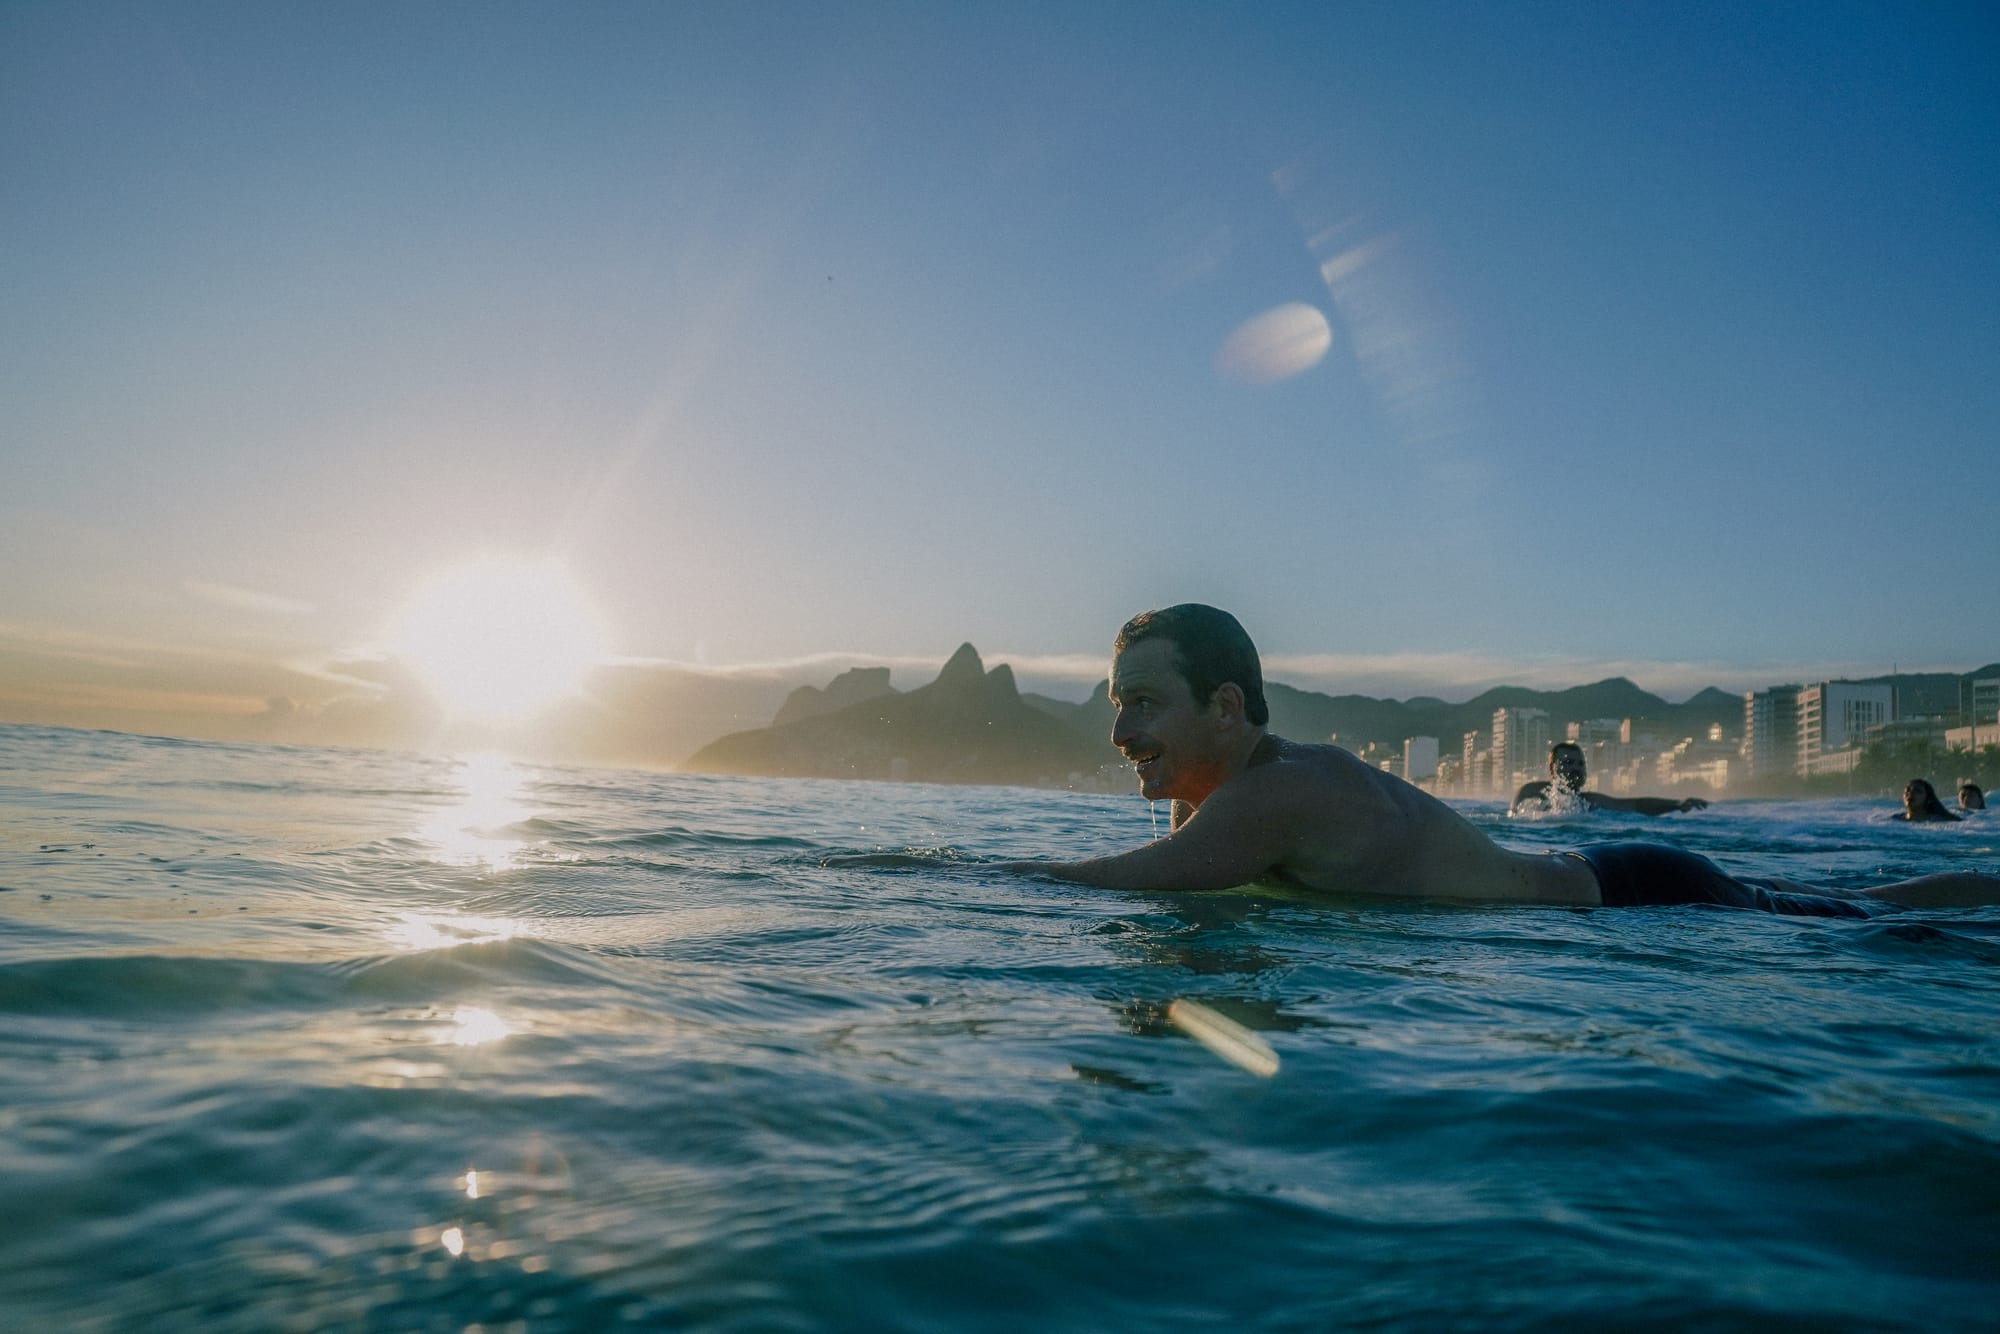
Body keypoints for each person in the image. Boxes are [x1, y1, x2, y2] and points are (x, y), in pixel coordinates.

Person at [970, 604, 2000, 913]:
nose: (1119, 735)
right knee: (1868, 900)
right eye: (1116, 707)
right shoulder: (1219, 802)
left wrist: (861, 878)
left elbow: (1085, 887)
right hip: (1621, 883)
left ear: (1226, 706)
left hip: (1633, 895)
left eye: (1142, 704)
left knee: (1870, 913)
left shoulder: (1280, 794)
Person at [1509, 741, 1709, 816]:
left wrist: (1676, 804)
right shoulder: (1530, 791)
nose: (1575, 769)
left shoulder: (1589, 802)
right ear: (1552, 769)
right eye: (1568, 762)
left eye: (1580, 764)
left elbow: (1635, 806)